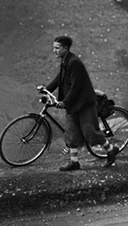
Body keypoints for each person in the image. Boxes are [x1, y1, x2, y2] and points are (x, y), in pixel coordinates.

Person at [43, 36, 119, 171]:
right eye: (54, 47)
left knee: (90, 131)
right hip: (73, 103)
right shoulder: (65, 61)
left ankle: (111, 150)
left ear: (65, 48)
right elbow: (59, 78)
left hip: (84, 103)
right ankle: (74, 162)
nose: (54, 50)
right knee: (71, 132)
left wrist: (64, 102)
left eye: (57, 48)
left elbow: (76, 86)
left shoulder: (74, 62)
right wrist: (46, 89)